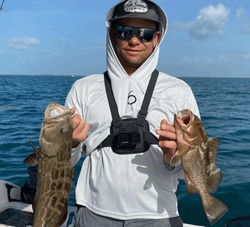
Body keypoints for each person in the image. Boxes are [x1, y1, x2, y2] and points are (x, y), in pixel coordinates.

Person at [65, 0, 200, 226]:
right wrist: (68, 145)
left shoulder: (180, 91)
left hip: (159, 215)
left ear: (156, 38)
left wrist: (174, 157)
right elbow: (64, 163)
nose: (135, 40)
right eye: (125, 32)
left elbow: (191, 170)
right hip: (93, 214)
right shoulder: (82, 88)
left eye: (145, 34)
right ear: (112, 33)